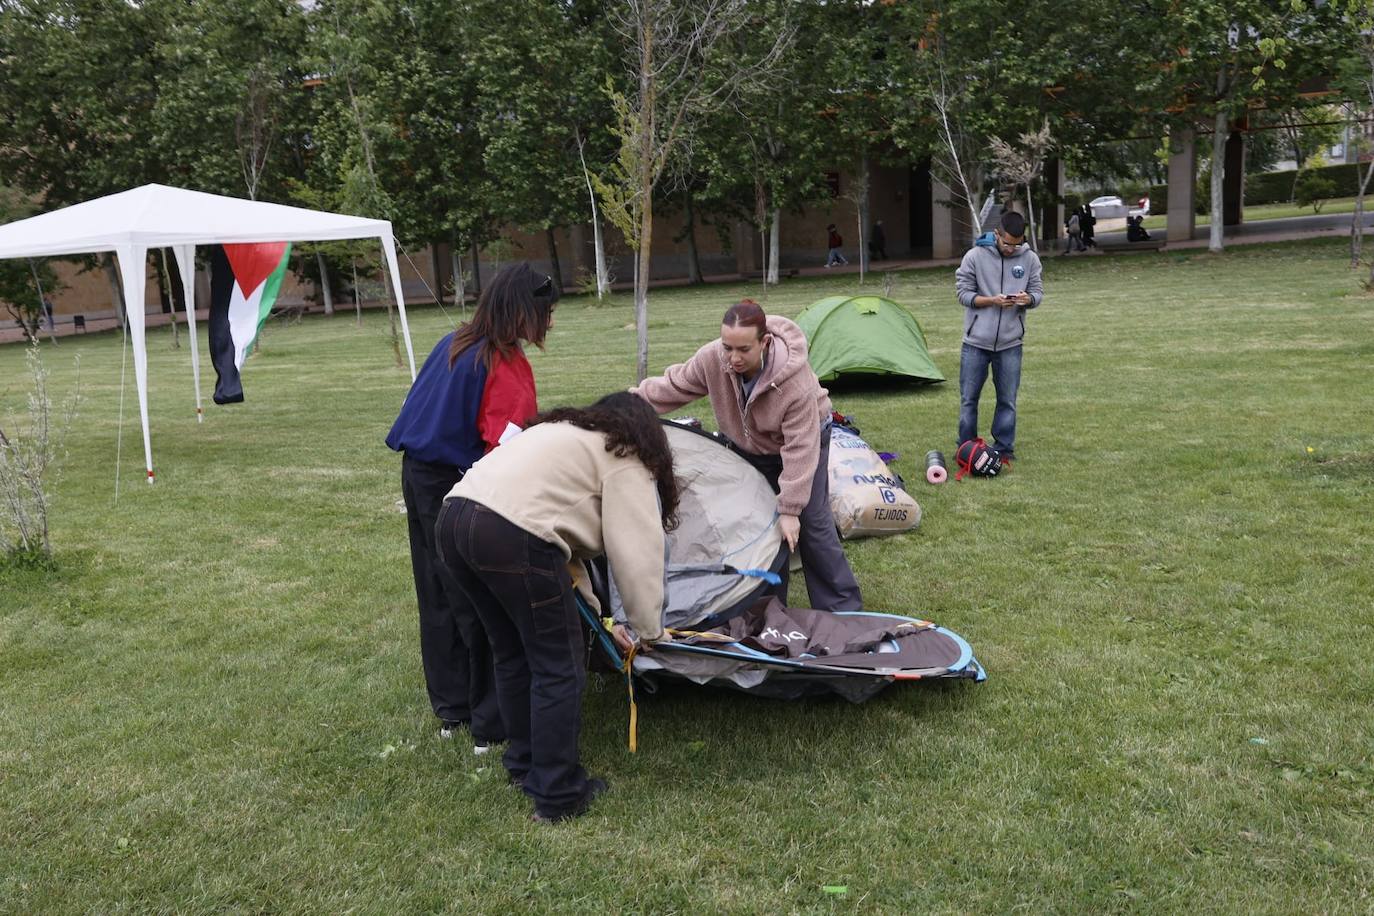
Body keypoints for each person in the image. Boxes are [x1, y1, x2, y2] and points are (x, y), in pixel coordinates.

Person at [437, 392, 677, 823]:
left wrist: (604, 626)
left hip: (455, 519)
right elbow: (637, 553)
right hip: (509, 534)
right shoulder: (624, 456)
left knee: (512, 653)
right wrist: (649, 631)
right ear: (646, 434)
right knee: (560, 665)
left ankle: (525, 764)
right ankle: (558, 793)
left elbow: (560, 559)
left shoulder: (560, 433)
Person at [385, 262, 559, 752]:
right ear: (526, 311)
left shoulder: (454, 341)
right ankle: (489, 717)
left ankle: (452, 707)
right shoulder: (503, 364)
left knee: (437, 593)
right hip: (456, 483)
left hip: (418, 475)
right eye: (547, 313)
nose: (549, 324)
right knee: (479, 600)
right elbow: (506, 452)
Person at [633, 299, 862, 611]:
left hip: (806, 441)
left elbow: (800, 447)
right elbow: (674, 386)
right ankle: (766, 607)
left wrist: (791, 508)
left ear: (764, 342)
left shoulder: (794, 382)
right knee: (759, 521)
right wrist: (628, 405)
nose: (733, 358)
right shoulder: (714, 359)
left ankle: (842, 609)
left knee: (811, 523)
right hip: (750, 446)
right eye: (728, 348)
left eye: (743, 350)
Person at [954, 211, 1044, 464]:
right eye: (1007, 243)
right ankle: (966, 448)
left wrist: (1029, 299)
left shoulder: (1030, 259)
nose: (1011, 249)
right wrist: (992, 301)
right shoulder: (974, 257)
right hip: (975, 343)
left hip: (1010, 343)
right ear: (996, 235)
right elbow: (963, 294)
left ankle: (1004, 448)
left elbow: (1038, 292)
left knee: (1008, 399)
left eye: (1017, 244)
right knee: (969, 399)